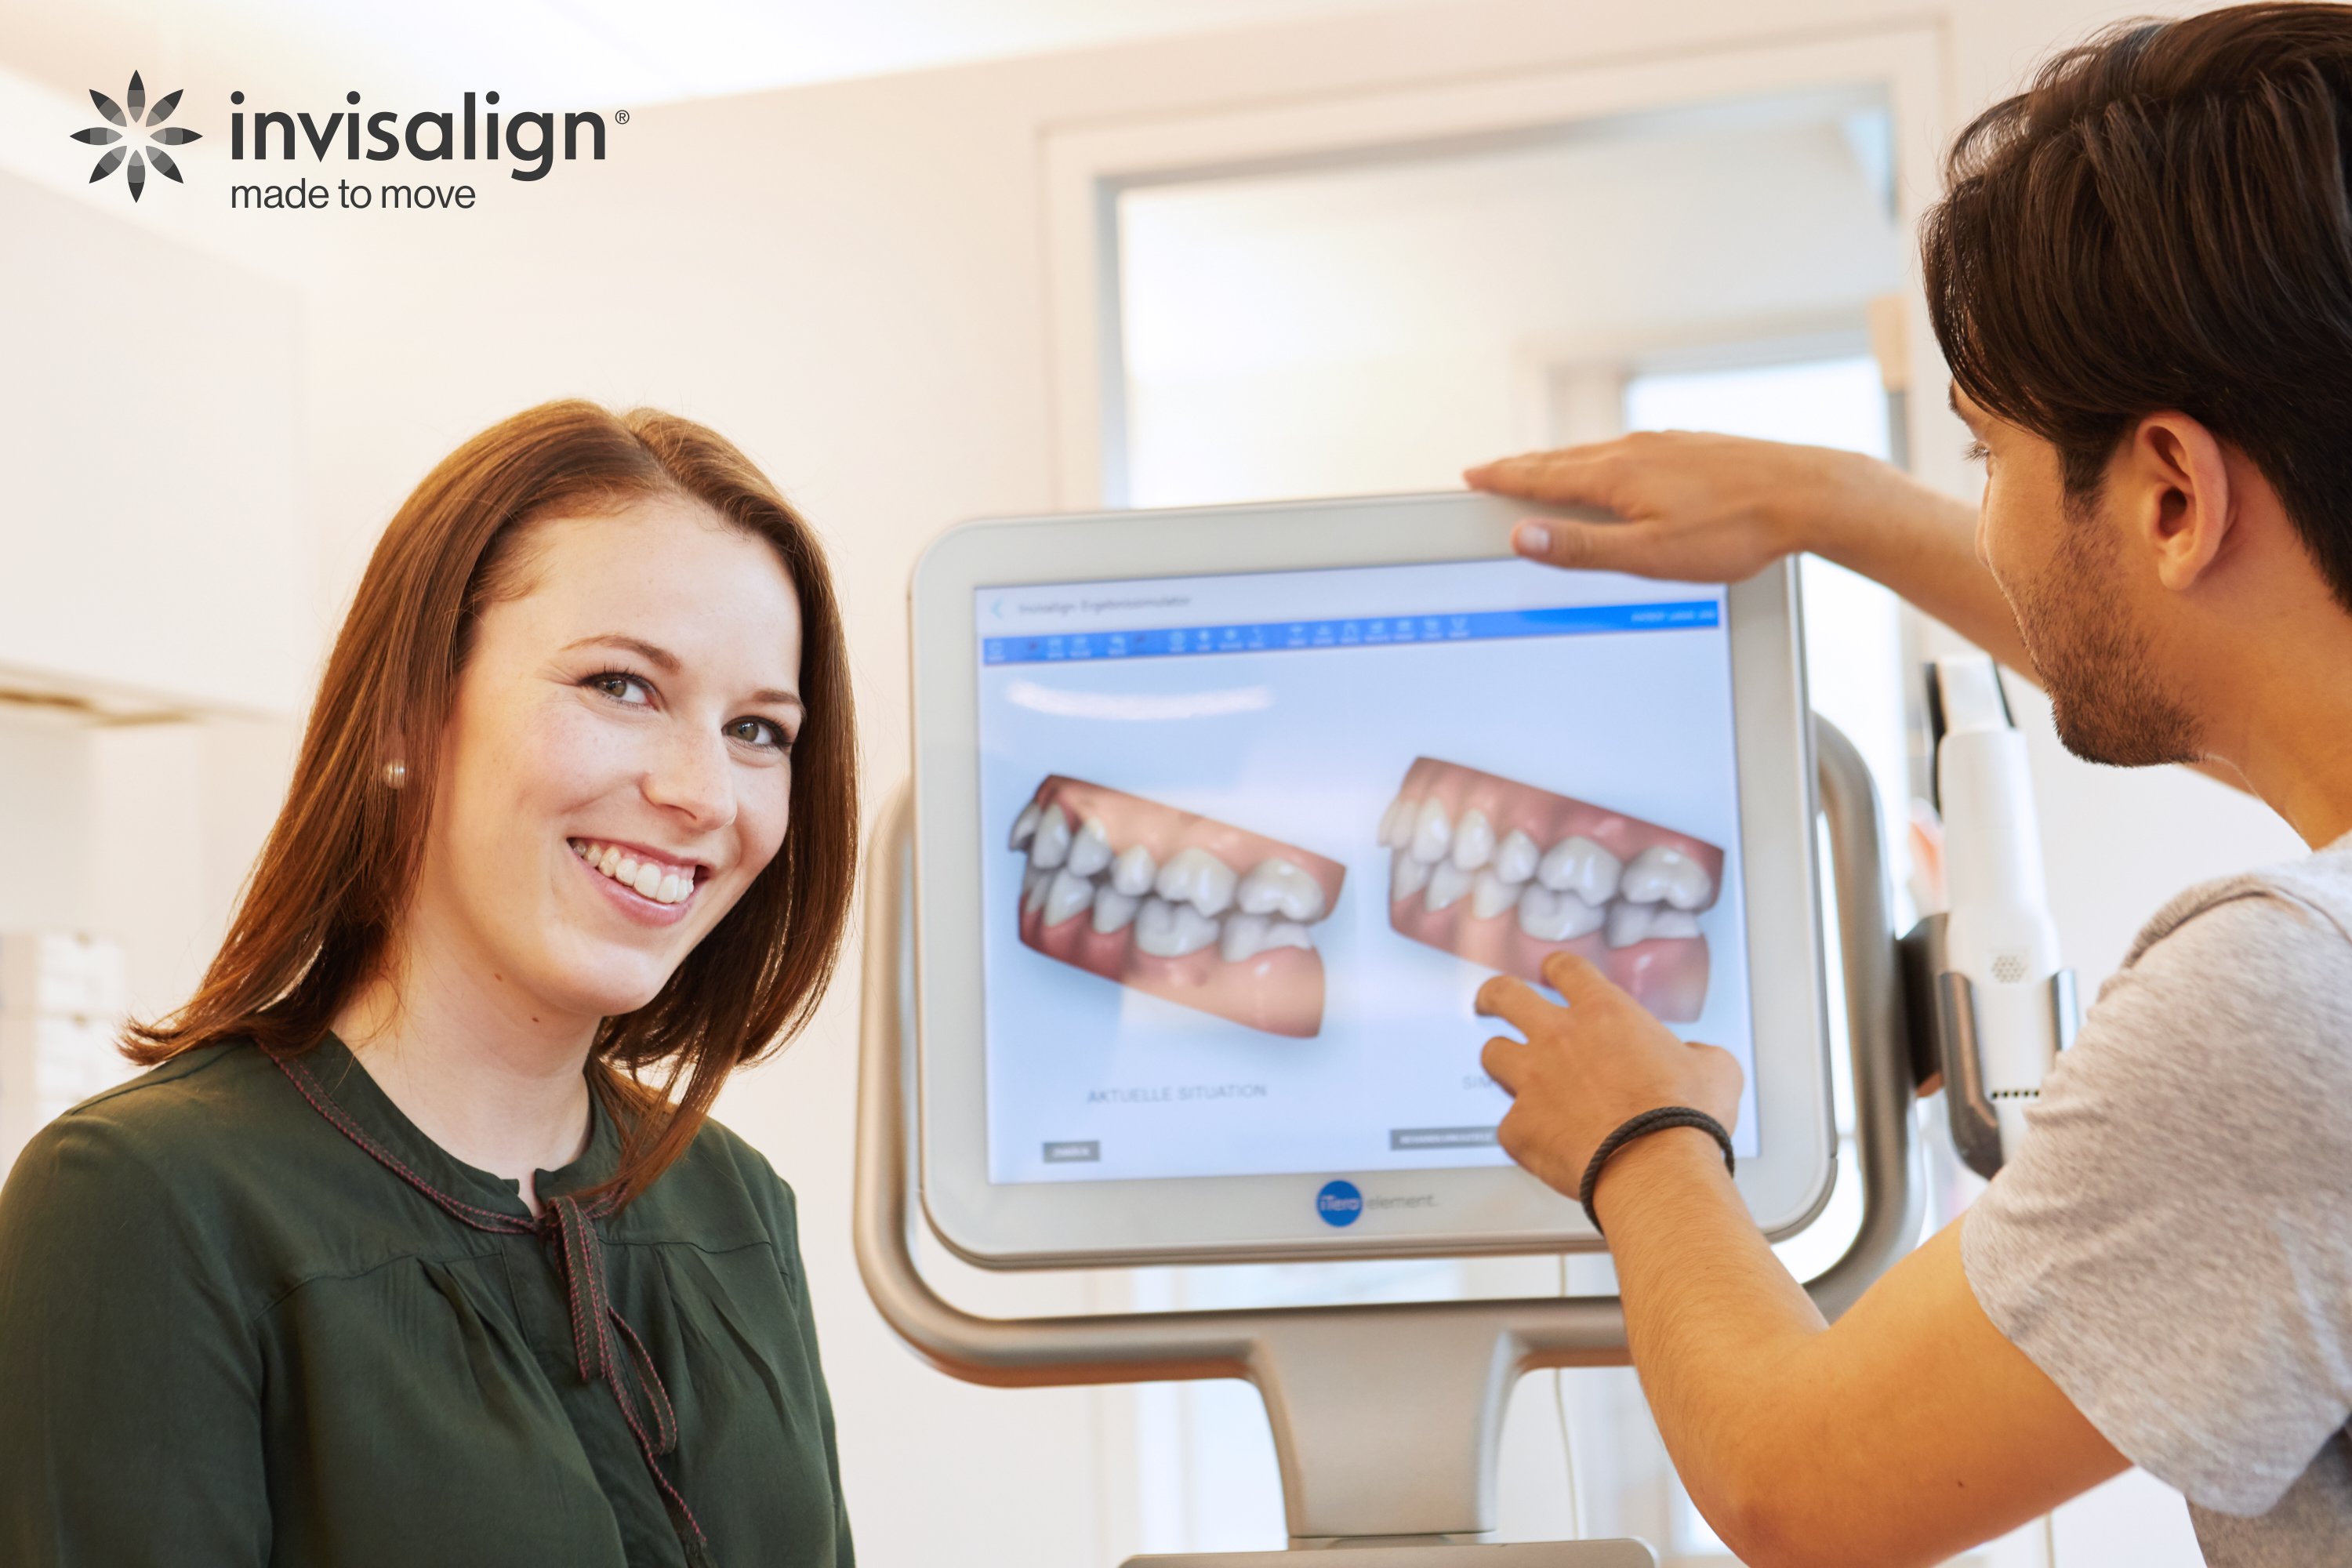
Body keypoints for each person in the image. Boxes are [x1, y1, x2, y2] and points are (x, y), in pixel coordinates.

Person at [1462, 7, 2352, 1566]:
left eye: (1983, 457)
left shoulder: (2282, 997)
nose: (1992, 517)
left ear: (2166, 492)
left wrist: (1640, 1133)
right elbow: (2182, 624)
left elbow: (1800, 1487)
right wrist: (1828, 504)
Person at [0, 402, 859, 1566]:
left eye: (759, 727)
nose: (706, 793)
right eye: (621, 685)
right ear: (410, 711)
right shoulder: (144, 1201)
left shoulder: (737, 1206)